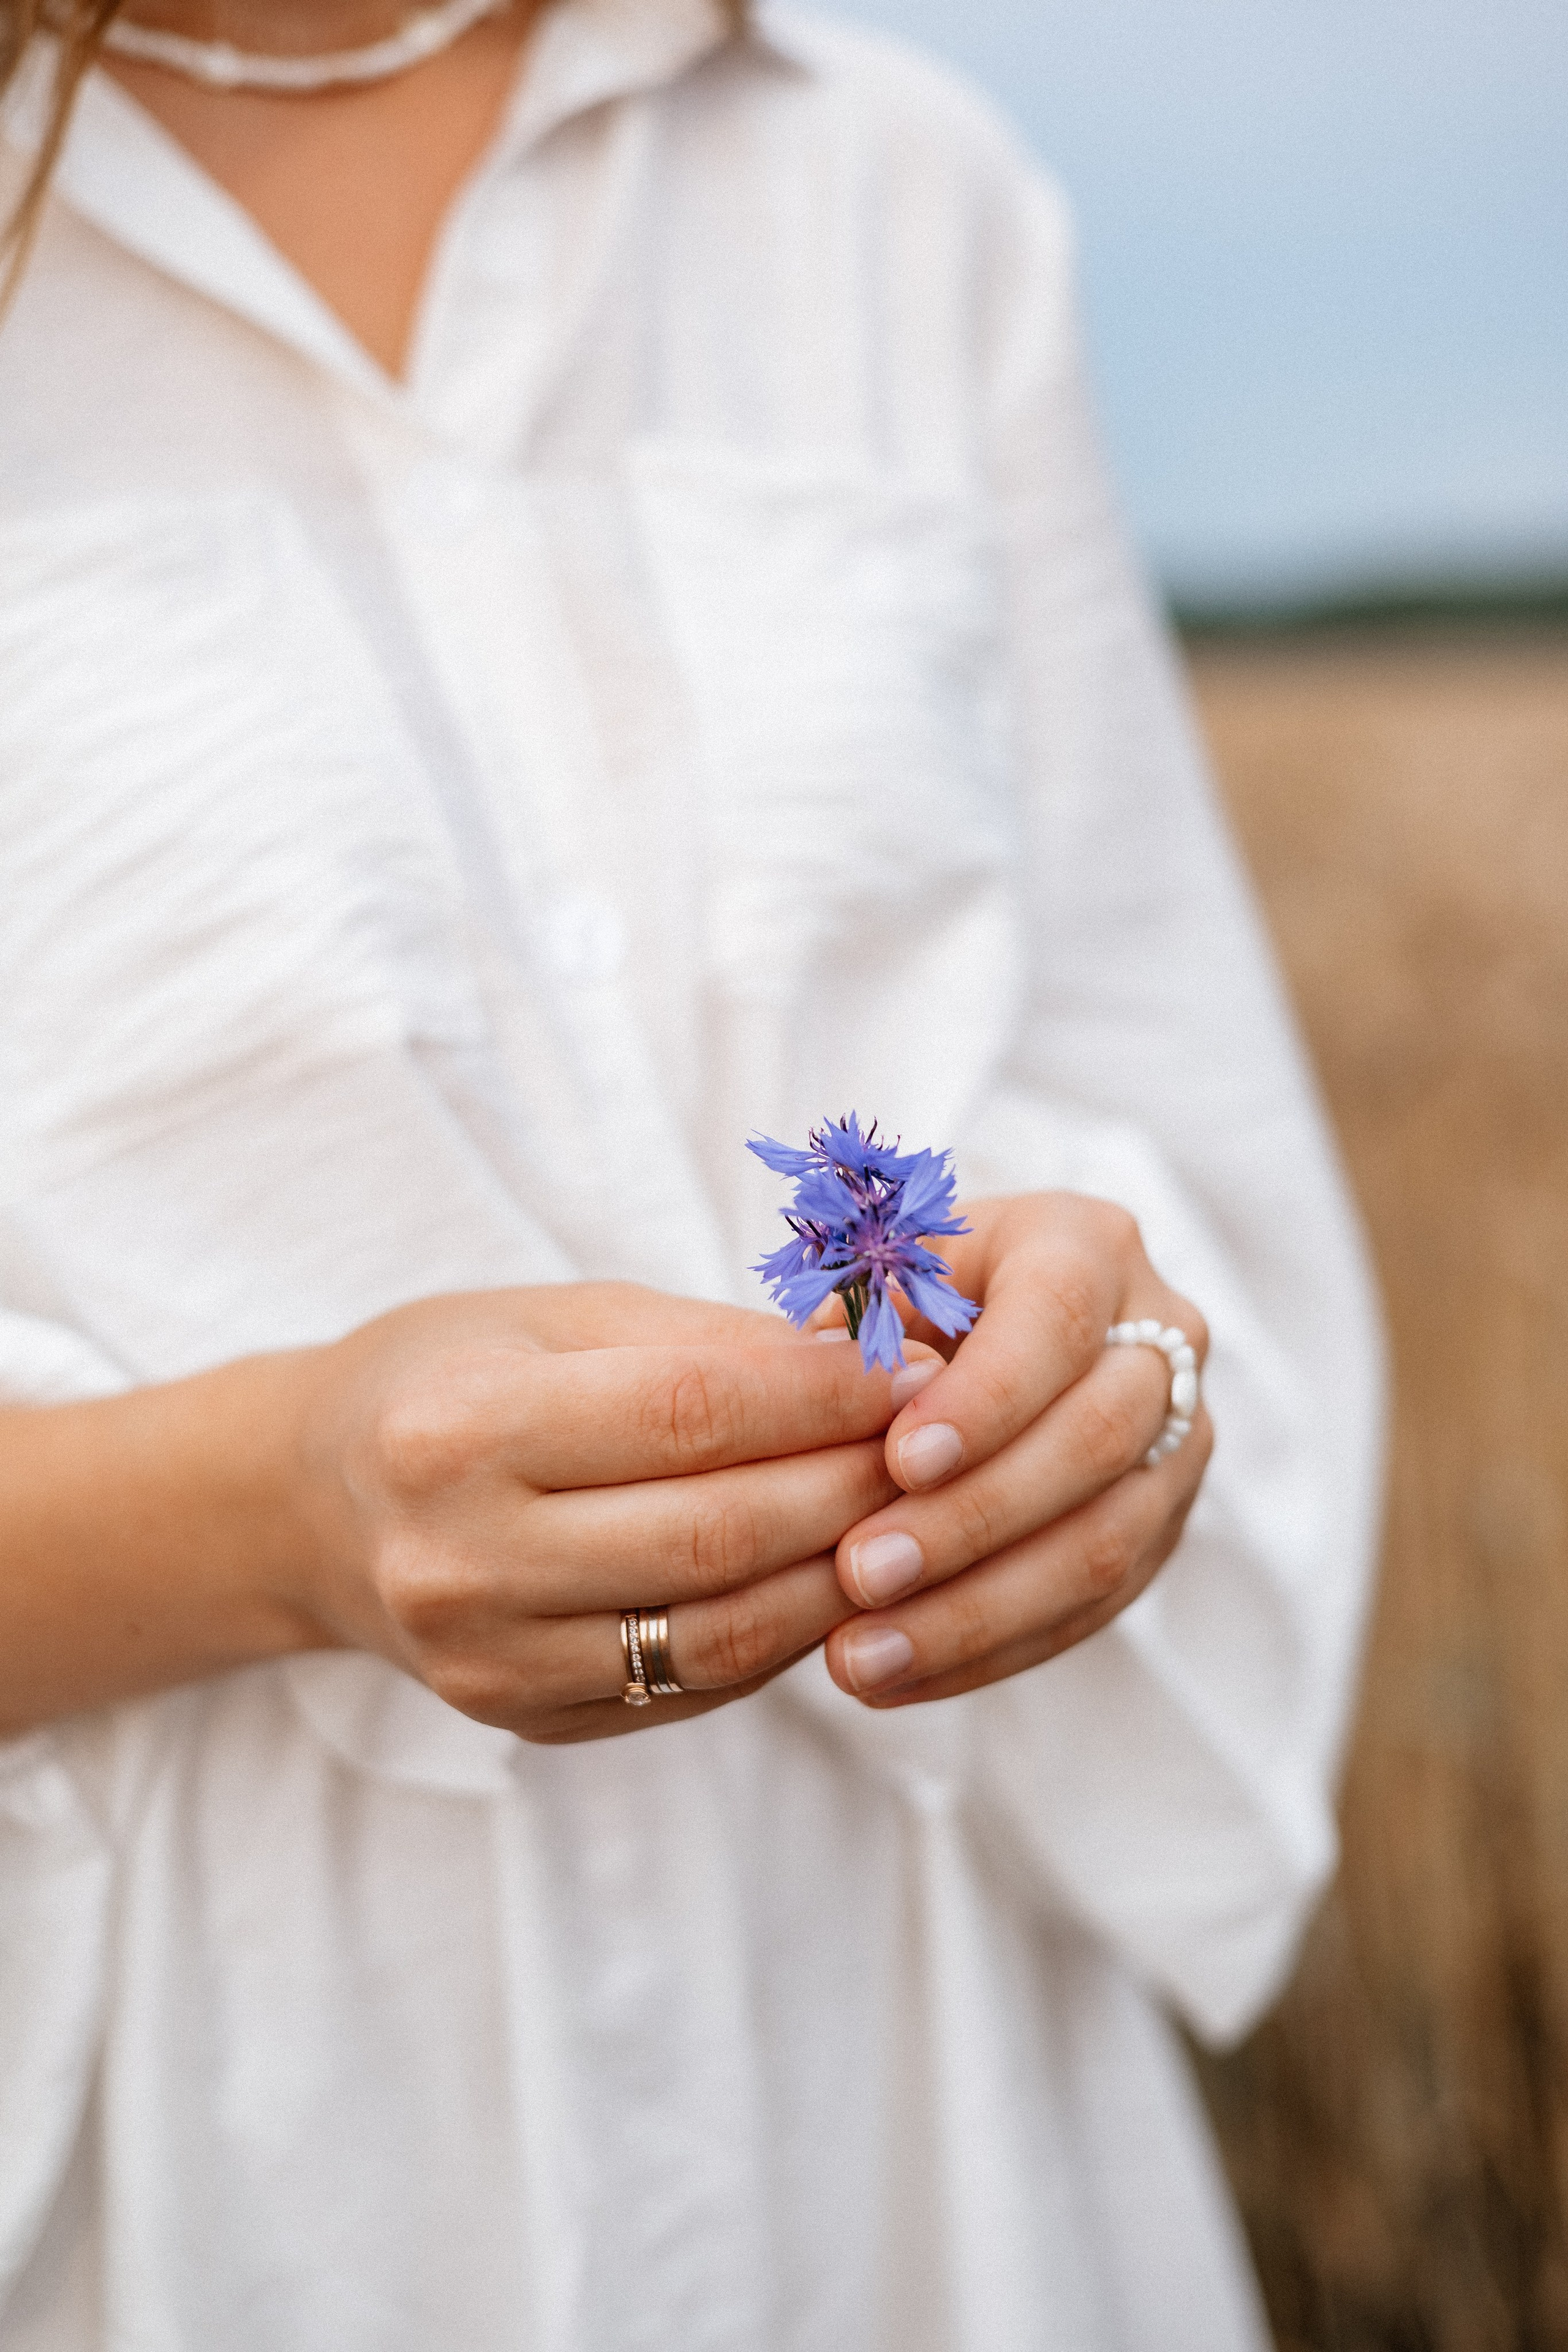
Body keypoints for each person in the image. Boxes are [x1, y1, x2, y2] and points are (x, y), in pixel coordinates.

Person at [0, 0, 1384, 2342]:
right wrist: (279, 1503)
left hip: (934, 2146)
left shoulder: (890, 184)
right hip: (240, 2174)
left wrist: (1099, 1364)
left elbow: (1196, 1186)